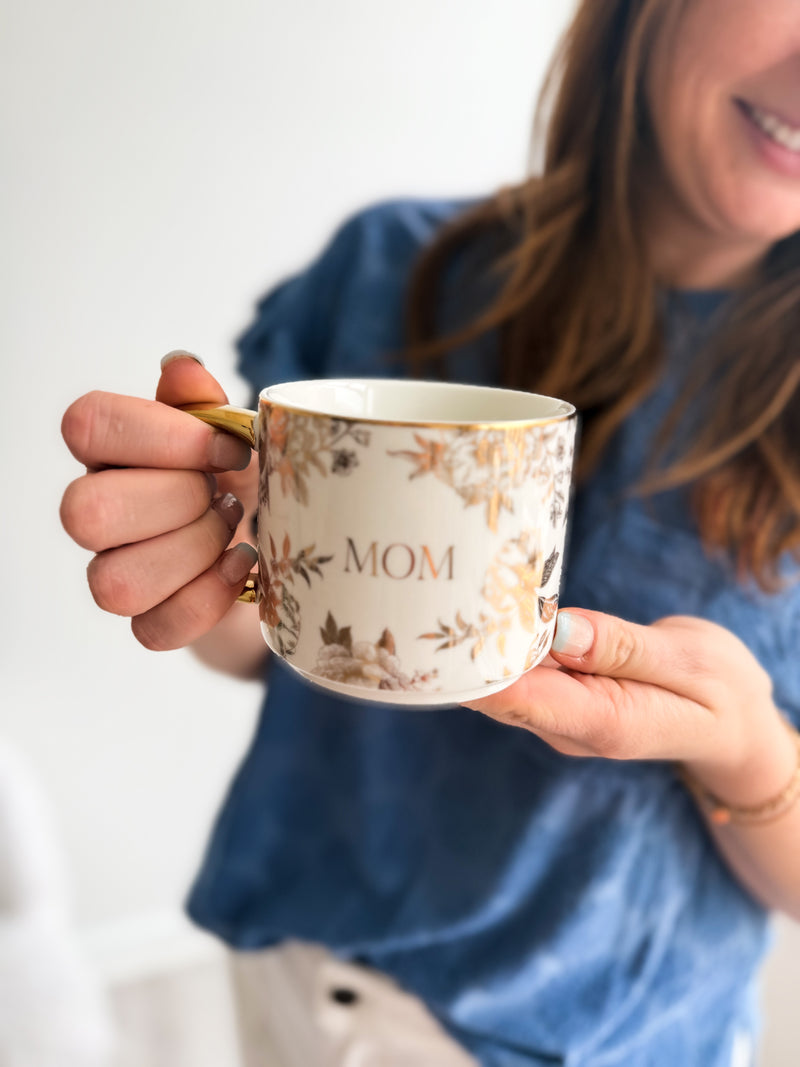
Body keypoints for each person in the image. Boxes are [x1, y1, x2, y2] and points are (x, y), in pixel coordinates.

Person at [60, 0, 800, 1063]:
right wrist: (207, 549)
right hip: (294, 964)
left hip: (584, 1039)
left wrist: (743, 748)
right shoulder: (386, 267)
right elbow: (257, 645)